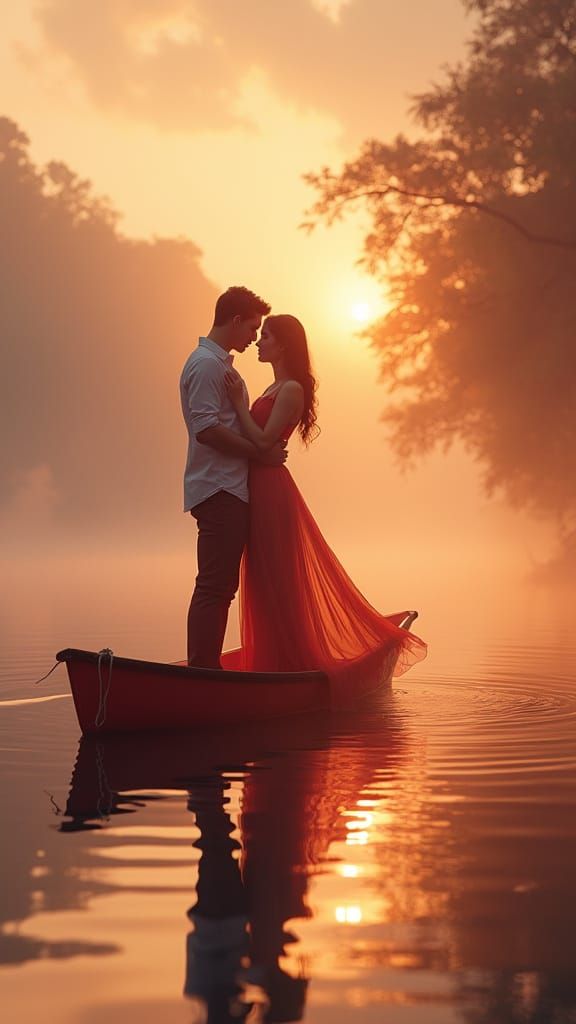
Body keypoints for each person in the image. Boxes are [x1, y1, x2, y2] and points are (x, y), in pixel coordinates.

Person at [225, 314, 427, 680]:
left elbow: (264, 440)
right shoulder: (271, 390)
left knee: (278, 581)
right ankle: (272, 664)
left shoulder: (291, 390)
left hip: (272, 491)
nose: (258, 341)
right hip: (256, 486)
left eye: (266, 336)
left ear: (283, 344)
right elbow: (258, 442)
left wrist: (239, 403)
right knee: (262, 583)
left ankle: (292, 669)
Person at [180, 287, 287, 669]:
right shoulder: (208, 366)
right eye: (253, 328)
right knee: (214, 585)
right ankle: (202, 672)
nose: (254, 337)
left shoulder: (220, 365)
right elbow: (206, 429)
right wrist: (259, 452)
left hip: (226, 487)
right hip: (219, 487)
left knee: (220, 585)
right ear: (236, 320)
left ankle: (204, 668)